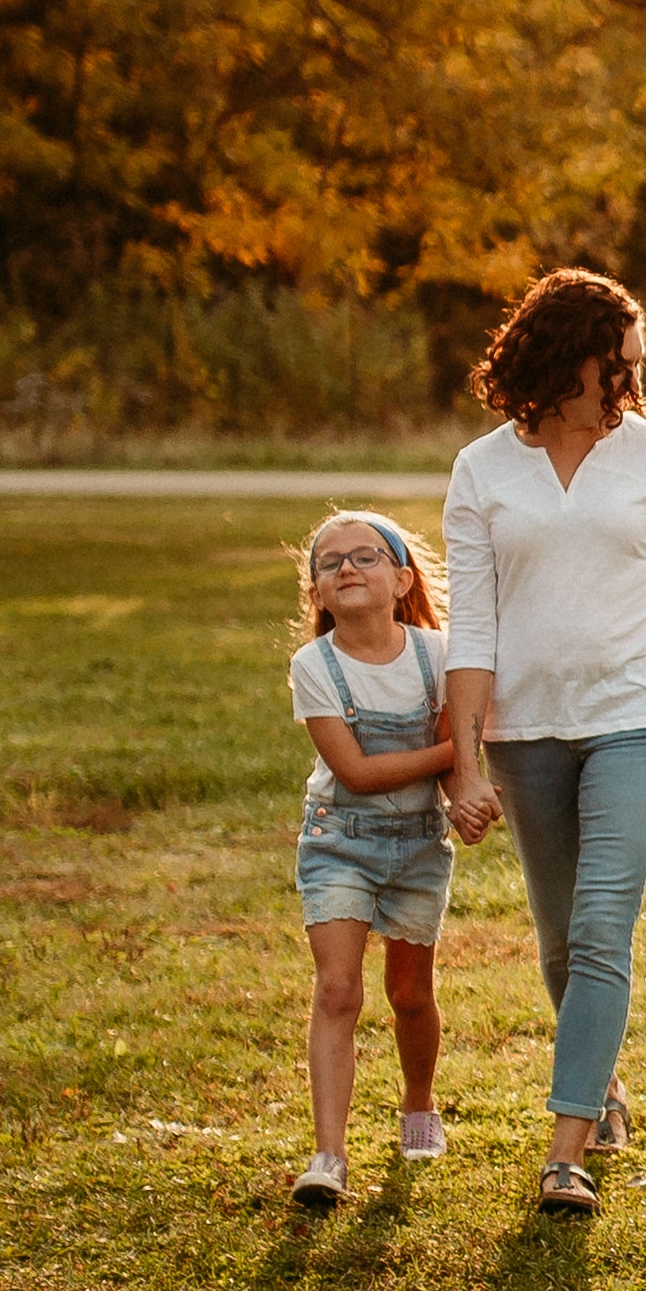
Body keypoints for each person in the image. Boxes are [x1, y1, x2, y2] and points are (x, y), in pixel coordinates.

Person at [439, 267, 646, 1217]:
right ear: (561, 358)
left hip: (640, 714)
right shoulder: (481, 469)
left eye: (634, 364)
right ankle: (606, 1081)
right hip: (524, 727)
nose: (630, 379)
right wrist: (463, 762)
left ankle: (564, 1147)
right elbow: (474, 628)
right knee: (557, 938)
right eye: (616, 363)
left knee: (599, 925)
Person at [283, 508, 458, 1210]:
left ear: (402, 578)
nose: (347, 567)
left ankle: (418, 1104)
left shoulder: (438, 656)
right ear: (318, 594)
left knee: (410, 995)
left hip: (419, 843)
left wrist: (471, 791)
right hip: (339, 840)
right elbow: (354, 772)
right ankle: (329, 1155)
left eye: (364, 556)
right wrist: (460, 758)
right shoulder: (313, 665)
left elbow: (455, 767)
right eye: (330, 563)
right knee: (337, 990)